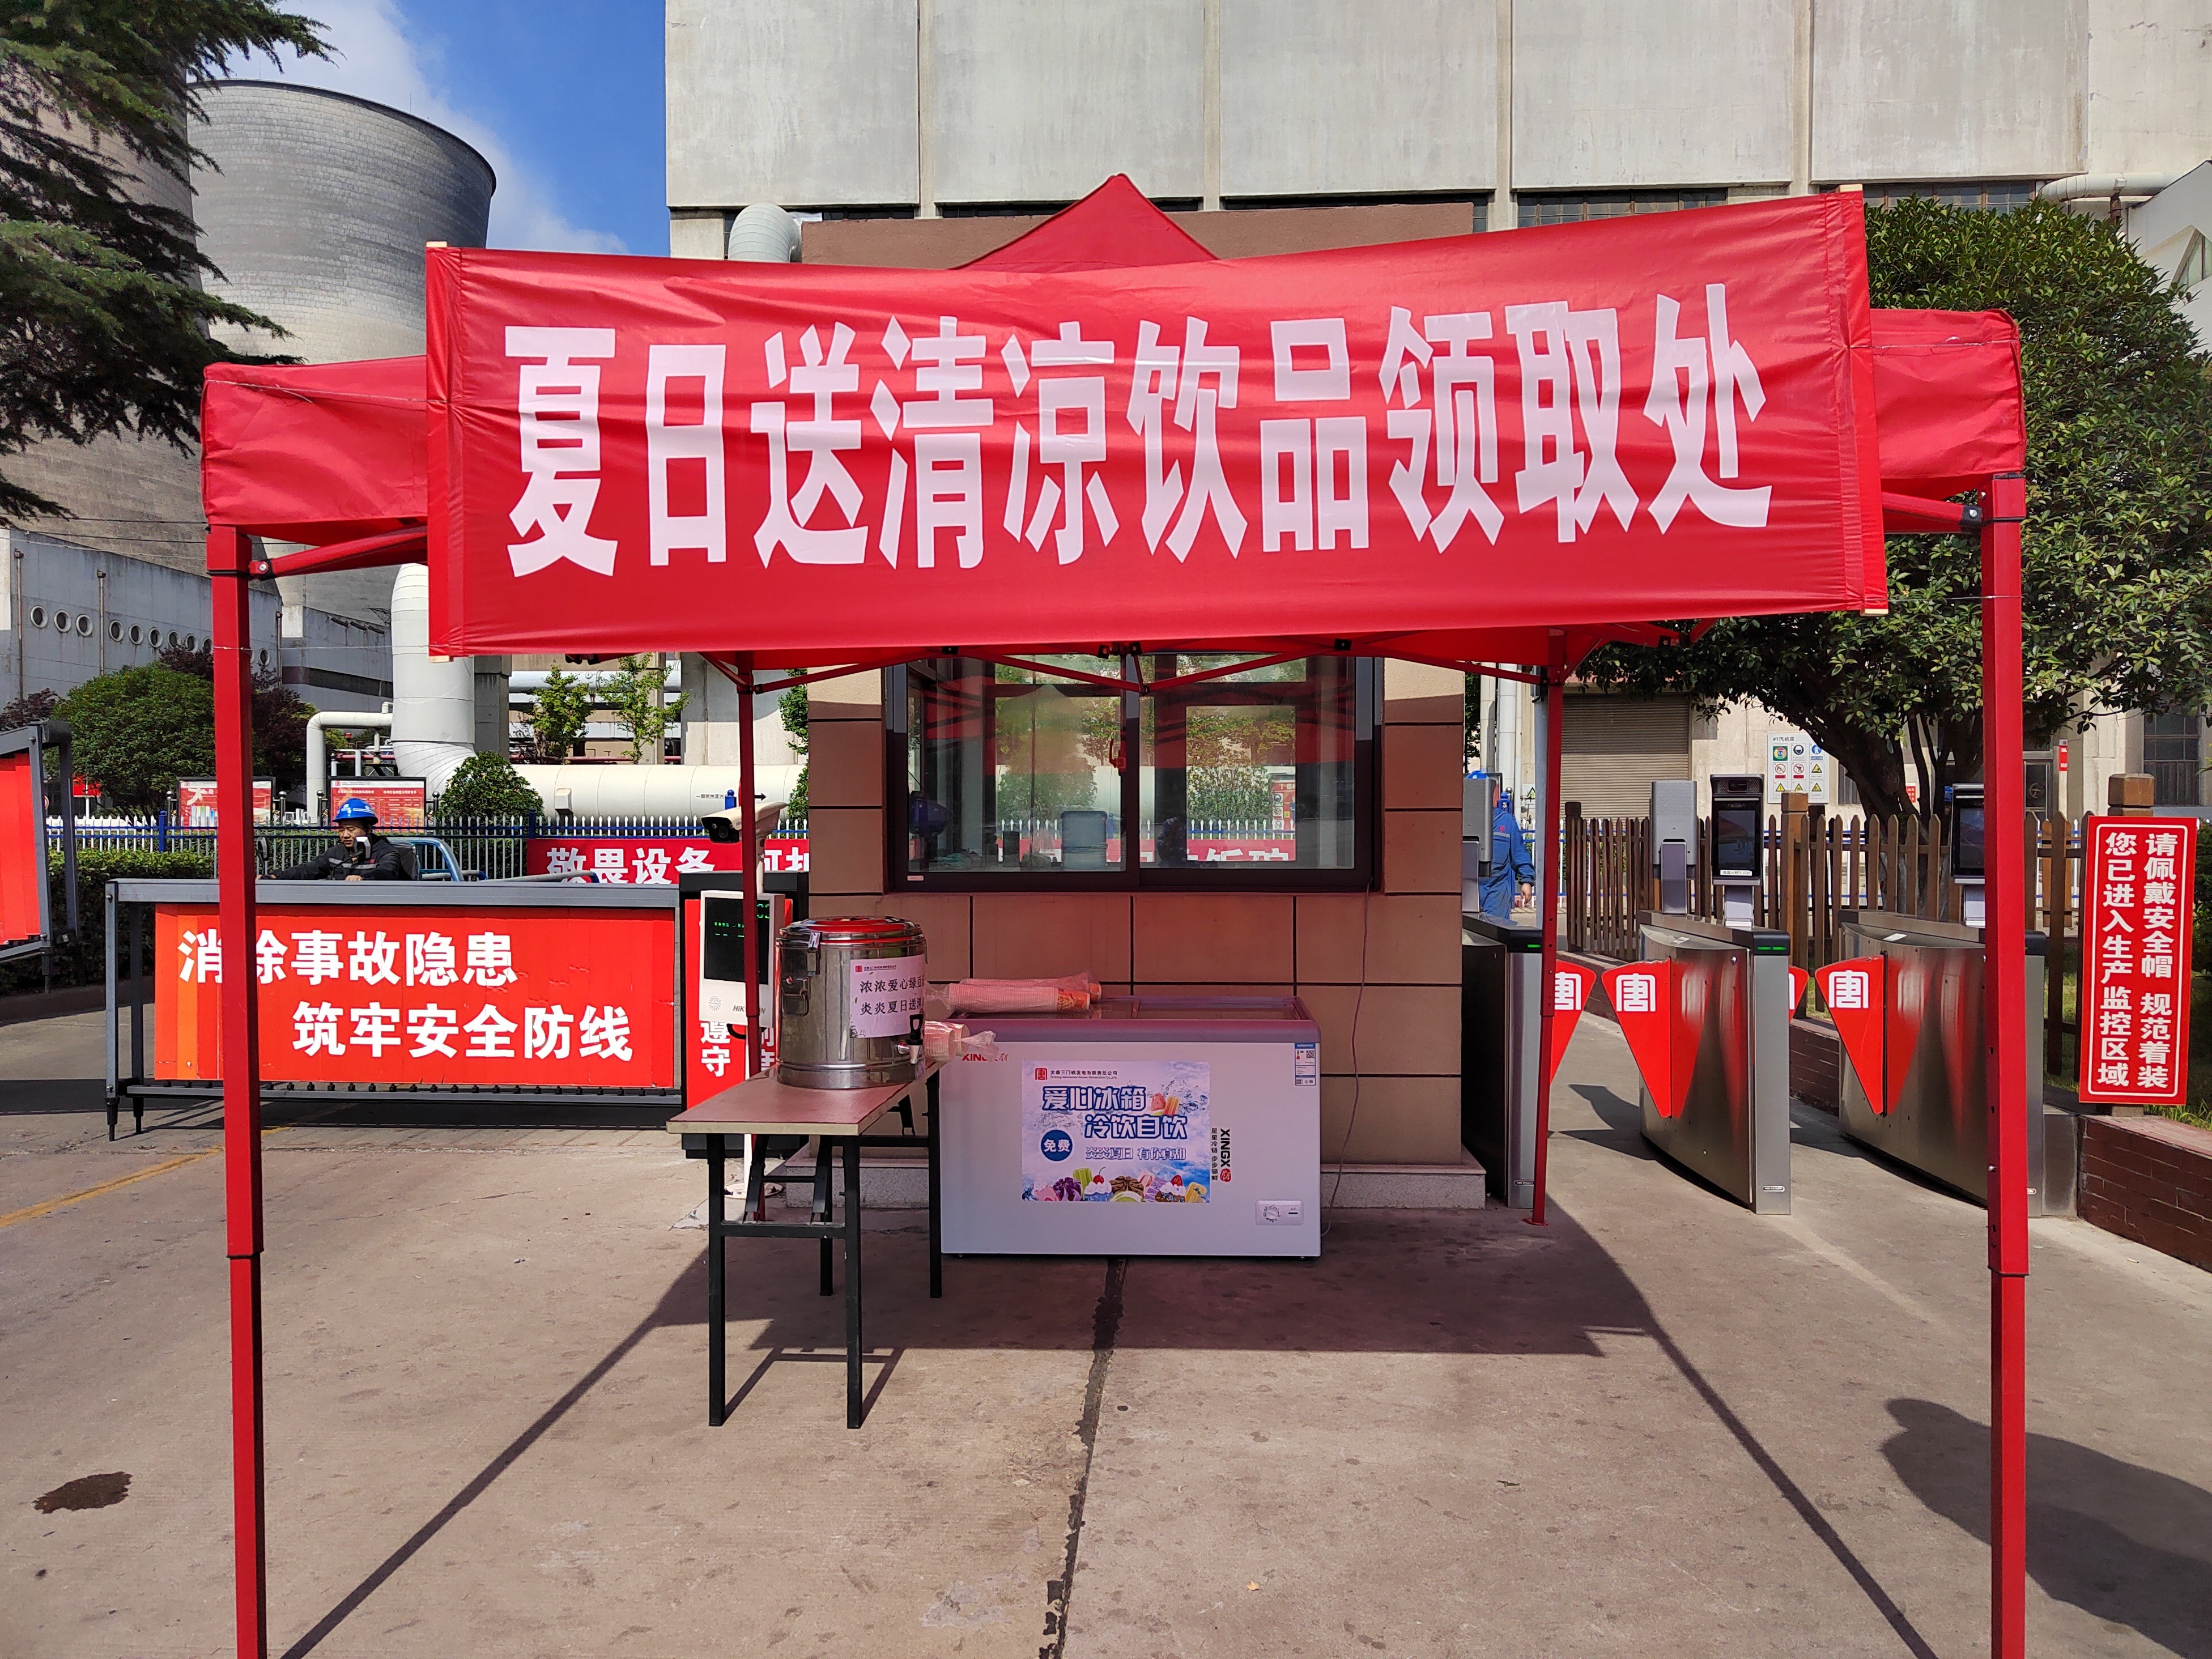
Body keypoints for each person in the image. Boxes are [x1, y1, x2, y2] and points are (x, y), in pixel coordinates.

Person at [278, 797, 408, 880]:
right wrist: (276, 876)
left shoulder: (386, 852)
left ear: (368, 829)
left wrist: (363, 879)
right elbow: (309, 870)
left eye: (351, 829)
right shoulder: (335, 853)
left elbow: (387, 871)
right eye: (341, 830)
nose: (345, 835)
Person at [1478, 789, 1535, 922]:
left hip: (1496, 889)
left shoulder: (1506, 822)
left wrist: (1527, 881)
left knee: (1496, 930)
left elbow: (1519, 853)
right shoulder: (1460, 820)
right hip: (1467, 887)